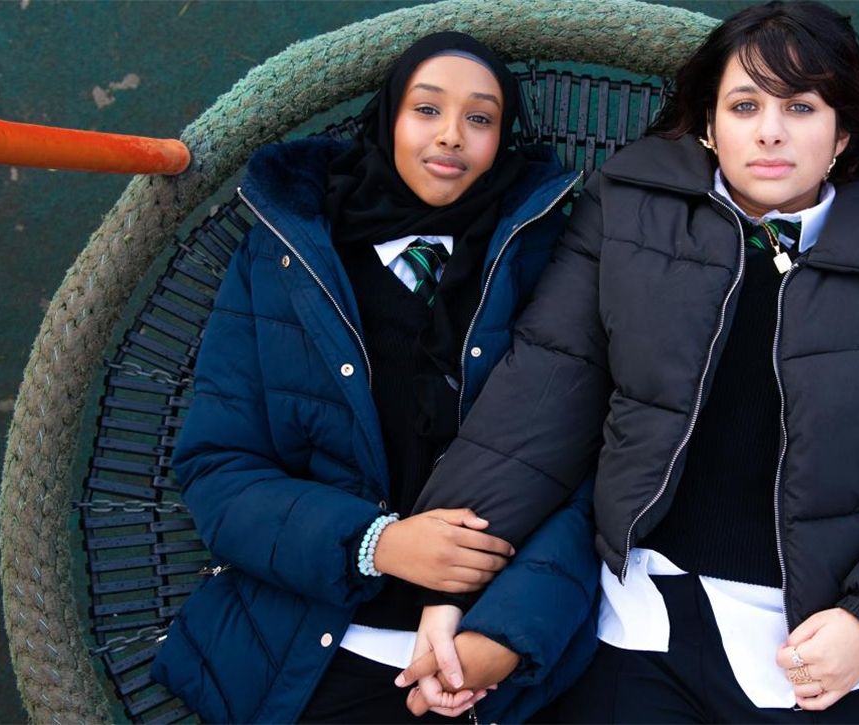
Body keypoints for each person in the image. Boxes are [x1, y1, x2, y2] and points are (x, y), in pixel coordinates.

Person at [407, 3, 859, 722]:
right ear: (710, 126)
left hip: (826, 653)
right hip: (639, 624)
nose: (770, 130)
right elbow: (540, 400)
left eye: (800, 106)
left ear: (842, 133)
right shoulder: (626, 215)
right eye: (746, 105)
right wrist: (449, 590)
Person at [151, 32, 599, 724]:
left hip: (496, 652)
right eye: (427, 110)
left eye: (479, 118)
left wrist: (505, 637)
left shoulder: (555, 259)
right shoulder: (285, 258)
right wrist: (376, 543)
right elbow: (218, 472)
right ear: (388, 117)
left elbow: (596, 476)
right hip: (305, 643)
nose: (451, 135)